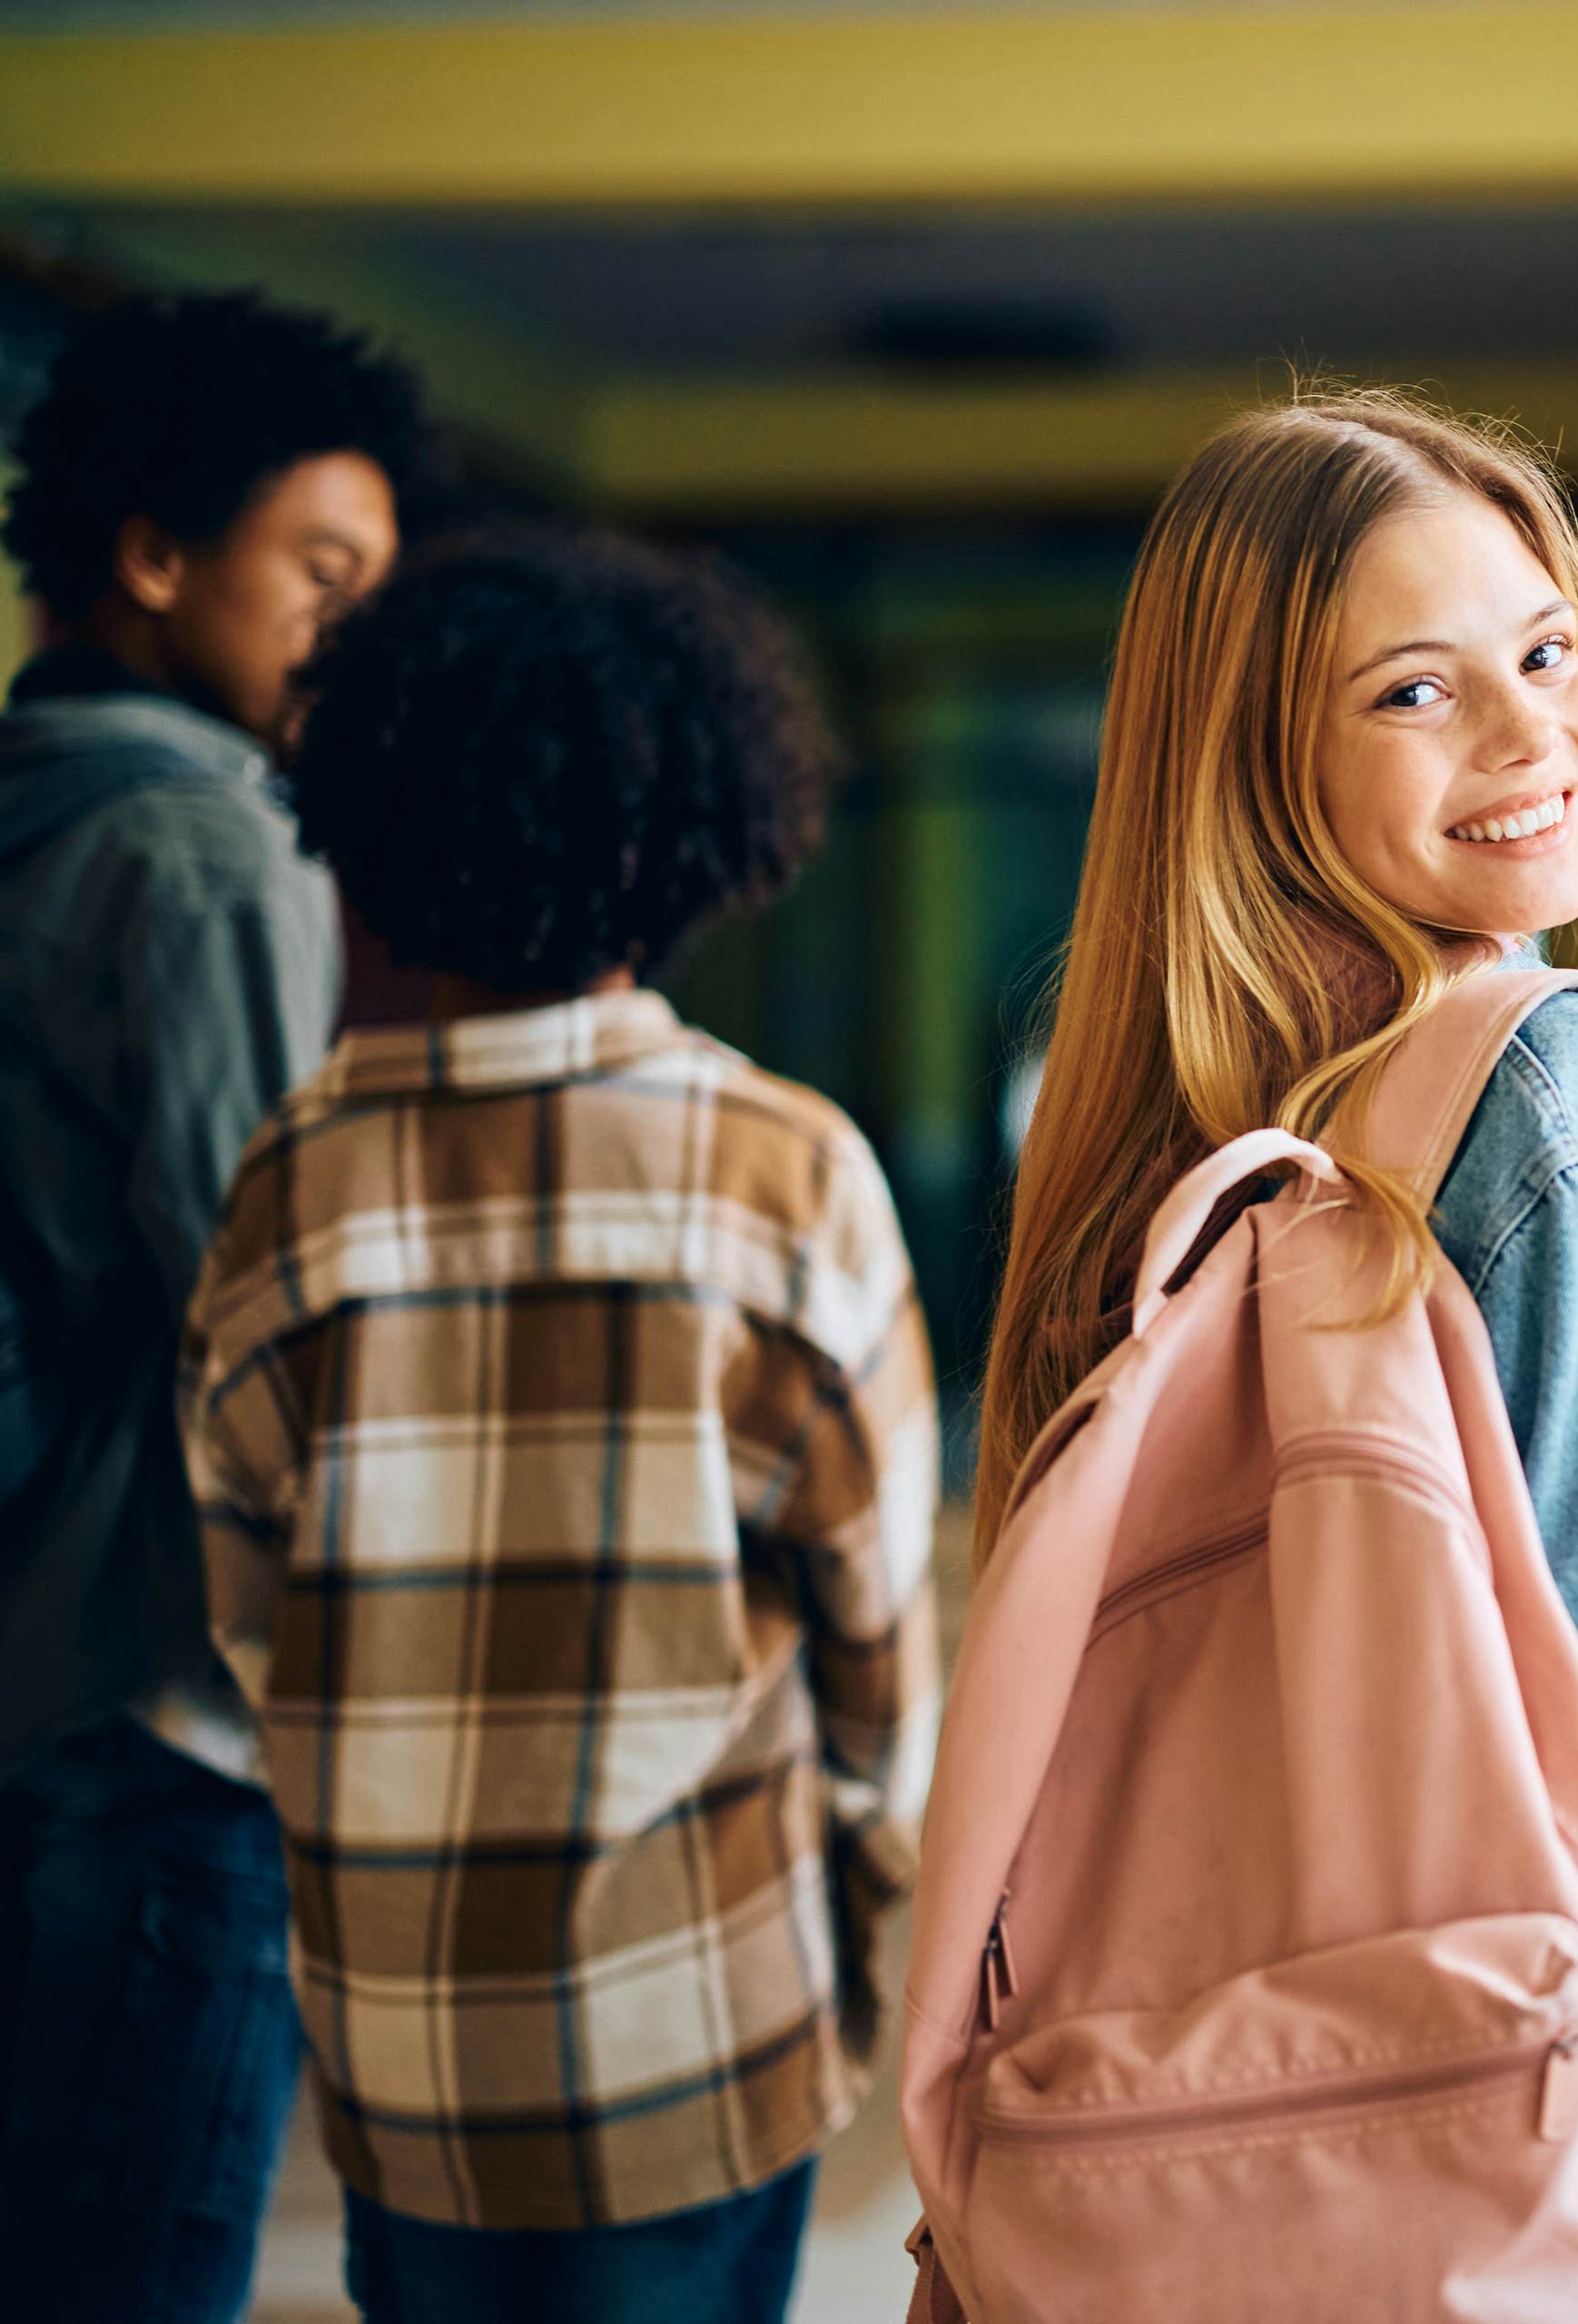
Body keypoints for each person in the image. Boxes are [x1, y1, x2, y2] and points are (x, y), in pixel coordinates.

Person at [971, 390, 1578, 2323]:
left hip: (1168, 2167)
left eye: (1547, 650)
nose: (1536, 738)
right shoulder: (1548, 1081)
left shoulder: (1149, 1158)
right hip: (1493, 2149)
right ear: (1256, 758)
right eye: (1418, 692)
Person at [179, 530, 942, 2323]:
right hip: (699, 2011)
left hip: (404, 2036)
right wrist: (861, 1884)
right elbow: (879, 1646)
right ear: (687, 832)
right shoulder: (784, 1171)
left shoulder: (294, 1177)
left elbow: (240, 1611)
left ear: (367, 817)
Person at [0, 286, 438, 2324]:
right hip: (159, 1692)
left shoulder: (29, 810)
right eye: (319, 576)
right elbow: (259, 1309)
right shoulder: (202, 844)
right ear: (155, 558)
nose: (346, 633)